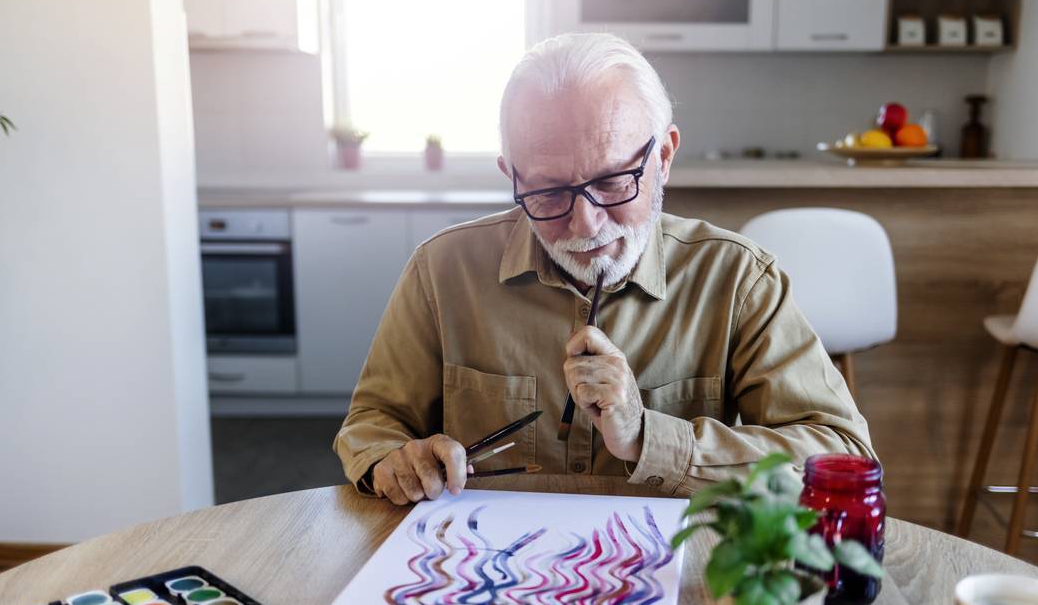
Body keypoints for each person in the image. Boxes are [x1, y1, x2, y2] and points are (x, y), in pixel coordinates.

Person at [335, 32, 873, 505]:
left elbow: (845, 457)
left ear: (663, 156)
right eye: (547, 192)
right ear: (511, 176)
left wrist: (648, 437)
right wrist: (396, 461)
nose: (586, 224)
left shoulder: (738, 281)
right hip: (493, 574)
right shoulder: (441, 270)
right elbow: (372, 426)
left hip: (672, 588)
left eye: (615, 183)